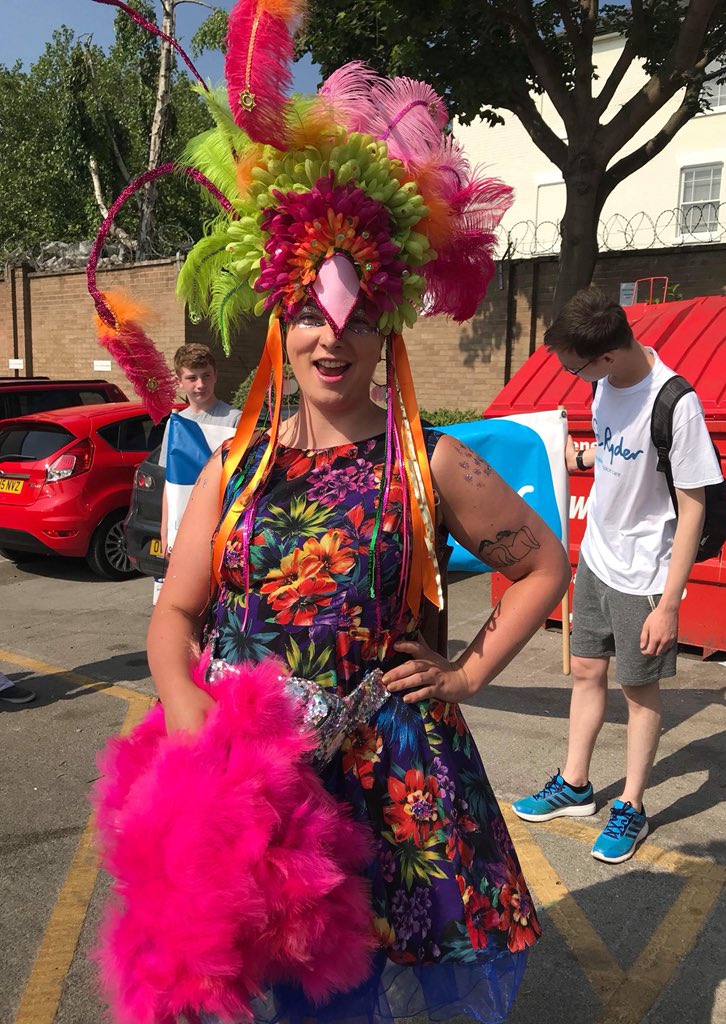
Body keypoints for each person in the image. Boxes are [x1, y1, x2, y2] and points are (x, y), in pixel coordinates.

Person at [86, 3, 569, 1021]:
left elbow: (544, 567)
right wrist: (185, 710)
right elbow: (173, 617)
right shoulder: (233, 469)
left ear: (386, 315)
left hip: (392, 786)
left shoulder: (431, 460)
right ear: (281, 317)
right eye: (308, 311)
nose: (328, 340)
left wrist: (470, 668)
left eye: (350, 315)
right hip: (258, 794)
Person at [513, 286, 723, 864]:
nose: (577, 379)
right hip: (599, 559)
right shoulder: (606, 385)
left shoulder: (676, 403)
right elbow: (609, 458)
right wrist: (564, 452)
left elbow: (695, 504)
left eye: (577, 368)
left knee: (638, 688)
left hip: (646, 574)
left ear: (606, 355)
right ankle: (575, 786)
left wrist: (670, 603)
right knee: (585, 670)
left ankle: (631, 805)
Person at [158, 343, 242, 558]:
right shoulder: (175, 424)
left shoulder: (235, 419)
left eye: (206, 376)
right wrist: (166, 531)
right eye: (192, 378)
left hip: (221, 525)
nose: (200, 384)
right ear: (179, 381)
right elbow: (171, 485)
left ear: (215, 375)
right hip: (183, 526)